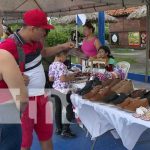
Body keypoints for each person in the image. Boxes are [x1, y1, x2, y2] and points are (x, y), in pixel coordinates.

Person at [0, 9, 74, 150]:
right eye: (43, 30)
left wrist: (62, 46)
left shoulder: (36, 42)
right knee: (24, 142)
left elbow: (44, 52)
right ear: (33, 29)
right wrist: (14, 76)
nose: (44, 34)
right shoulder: (8, 45)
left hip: (42, 97)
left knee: (46, 135)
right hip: (25, 101)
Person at [49, 51, 76, 138]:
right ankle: (65, 130)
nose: (66, 59)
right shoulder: (62, 65)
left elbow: (51, 79)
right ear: (60, 56)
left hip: (55, 89)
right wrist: (72, 77)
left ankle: (58, 128)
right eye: (65, 56)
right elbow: (63, 79)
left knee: (58, 109)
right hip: (64, 90)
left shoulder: (51, 65)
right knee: (68, 110)